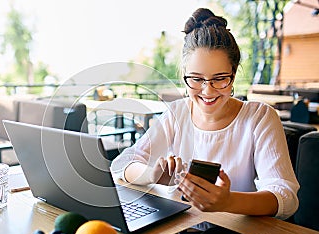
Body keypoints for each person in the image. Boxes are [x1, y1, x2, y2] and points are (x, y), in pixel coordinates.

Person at [111, 8, 299, 220]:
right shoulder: (177, 112)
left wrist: (229, 201)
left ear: (234, 74)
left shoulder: (259, 117)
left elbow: (286, 198)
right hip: (179, 226)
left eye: (219, 78)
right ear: (184, 75)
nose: (208, 91)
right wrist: (151, 175)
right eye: (197, 79)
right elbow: (121, 164)